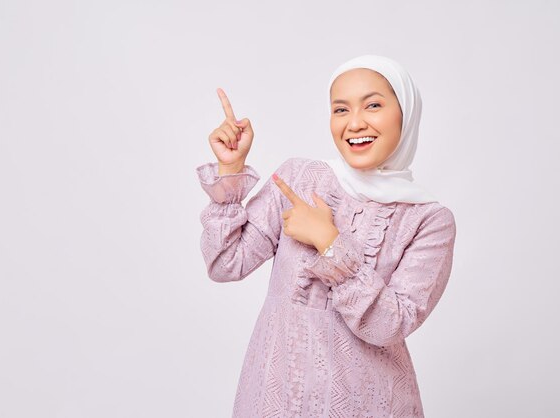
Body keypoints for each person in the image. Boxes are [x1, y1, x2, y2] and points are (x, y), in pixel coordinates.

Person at [195, 54, 456, 418]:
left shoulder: (429, 220)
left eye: (374, 105)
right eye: (340, 109)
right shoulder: (299, 179)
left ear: (406, 113)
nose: (355, 123)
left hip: (366, 404)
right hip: (273, 399)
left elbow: (390, 325)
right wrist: (230, 169)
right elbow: (225, 264)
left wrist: (330, 244)